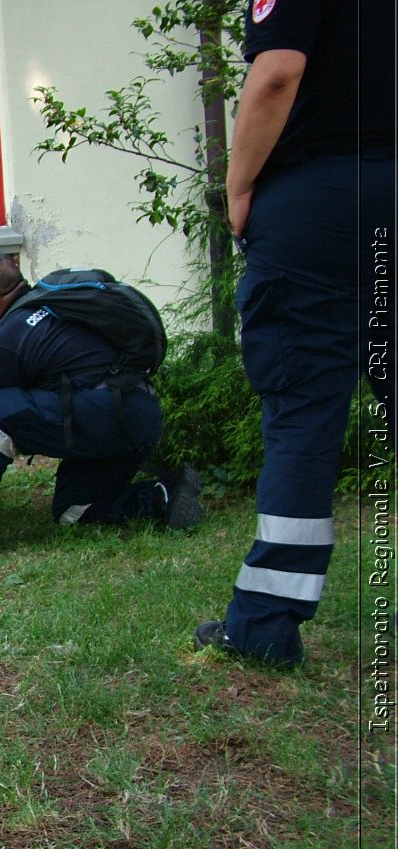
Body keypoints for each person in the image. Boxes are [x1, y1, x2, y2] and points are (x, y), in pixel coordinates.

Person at [194, 0, 395, 666]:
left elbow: (278, 73)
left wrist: (238, 184)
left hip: (318, 203)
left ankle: (266, 623)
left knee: (303, 411)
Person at [0, 252, 202, 554]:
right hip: (139, 414)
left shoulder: (8, 337)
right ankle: (163, 494)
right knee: (73, 510)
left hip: (104, 413)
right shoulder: (50, 308)